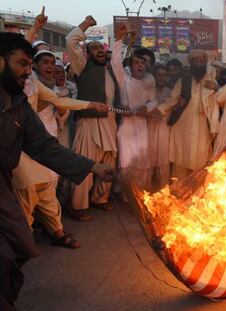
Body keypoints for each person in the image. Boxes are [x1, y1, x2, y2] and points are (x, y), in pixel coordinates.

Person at [0, 32, 114, 311]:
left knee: (23, 246)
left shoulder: (19, 106)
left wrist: (93, 167)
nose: (29, 72)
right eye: (23, 64)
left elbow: (45, 147)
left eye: (30, 65)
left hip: (1, 189)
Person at [66, 15, 118, 221]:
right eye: (94, 47)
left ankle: (100, 198)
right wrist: (86, 24)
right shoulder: (82, 66)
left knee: (108, 162)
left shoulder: (112, 71)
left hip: (108, 124)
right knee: (85, 164)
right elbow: (71, 41)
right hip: (88, 122)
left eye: (101, 48)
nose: (99, 50)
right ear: (86, 54)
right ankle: (77, 205)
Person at [154, 49, 219, 178]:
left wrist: (216, 88)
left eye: (202, 62)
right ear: (191, 63)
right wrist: (159, 108)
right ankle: (177, 194)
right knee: (181, 160)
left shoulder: (211, 81)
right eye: (196, 62)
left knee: (199, 161)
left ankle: (195, 195)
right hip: (183, 127)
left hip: (203, 127)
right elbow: (172, 99)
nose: (199, 64)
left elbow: (220, 100)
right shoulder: (183, 81)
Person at [112, 25, 156, 190]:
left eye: (142, 63)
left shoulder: (149, 79)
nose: (139, 65)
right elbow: (115, 62)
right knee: (126, 161)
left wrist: (147, 108)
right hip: (126, 126)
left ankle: (142, 193)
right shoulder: (124, 77)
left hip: (142, 126)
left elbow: (154, 101)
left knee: (143, 161)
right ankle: (128, 194)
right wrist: (118, 40)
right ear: (131, 65)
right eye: (136, 62)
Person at [148, 64, 172, 189]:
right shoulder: (149, 91)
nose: (161, 77)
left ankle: (163, 189)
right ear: (154, 76)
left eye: (164, 75)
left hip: (164, 129)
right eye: (159, 75)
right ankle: (148, 190)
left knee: (163, 160)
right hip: (149, 129)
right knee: (149, 158)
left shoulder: (171, 93)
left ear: (167, 77)